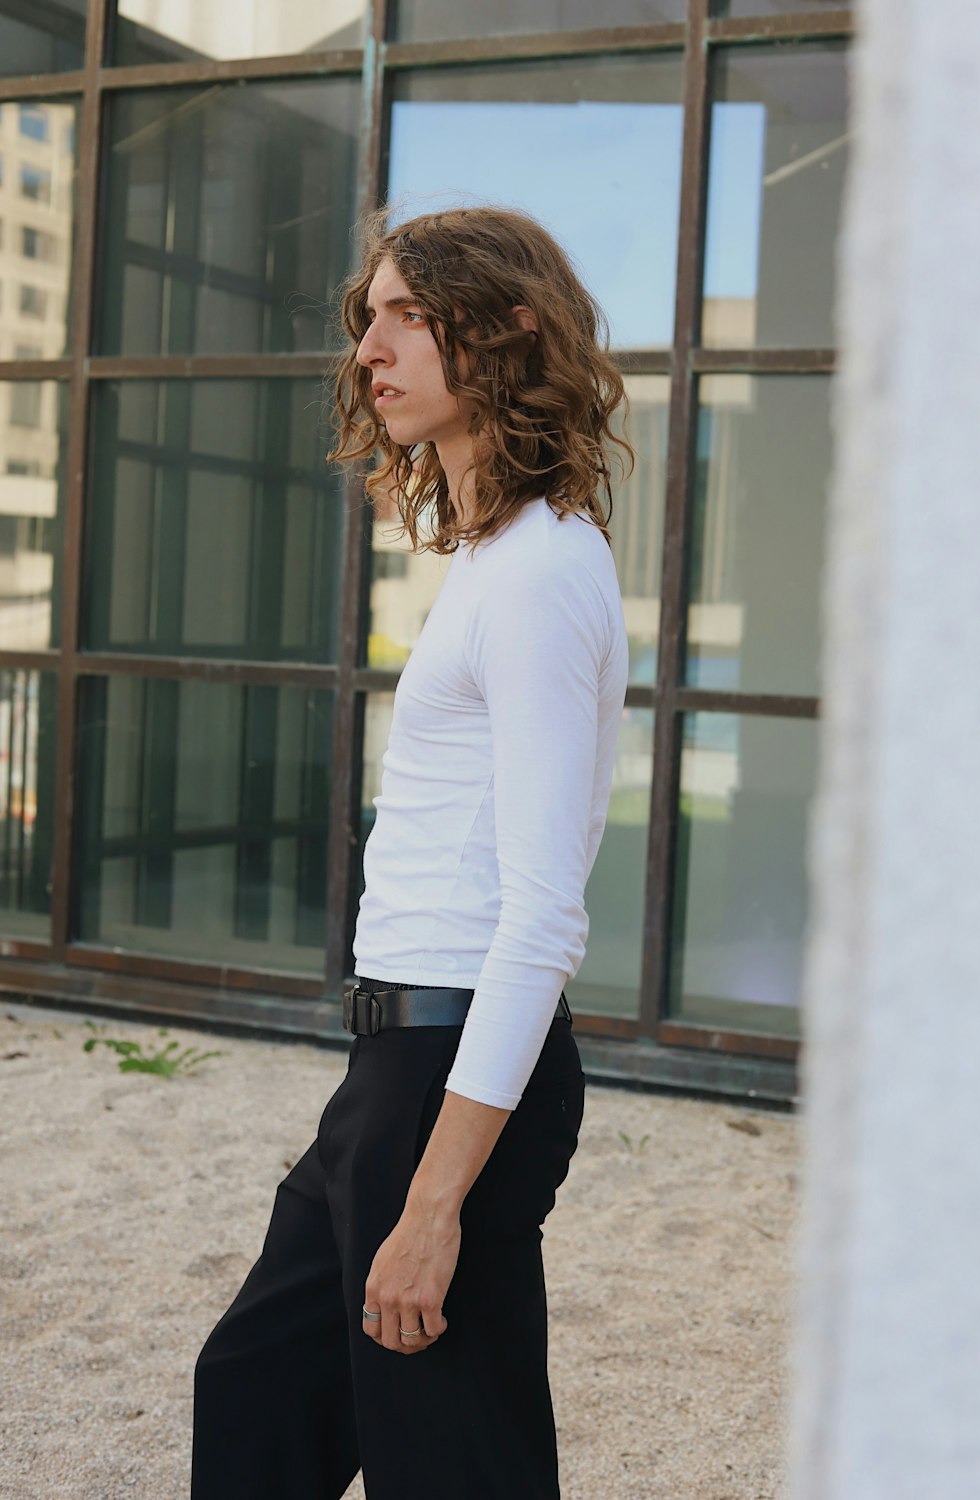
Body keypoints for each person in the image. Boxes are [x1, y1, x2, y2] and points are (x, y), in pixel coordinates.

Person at [190, 204, 632, 1499]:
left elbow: (544, 916)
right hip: (394, 1069)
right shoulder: (498, 559)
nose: (367, 349)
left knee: (457, 1467)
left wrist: (436, 1201)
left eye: (401, 316)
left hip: (451, 1076)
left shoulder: (546, 572)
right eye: (367, 319)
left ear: (507, 328)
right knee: (258, 1395)